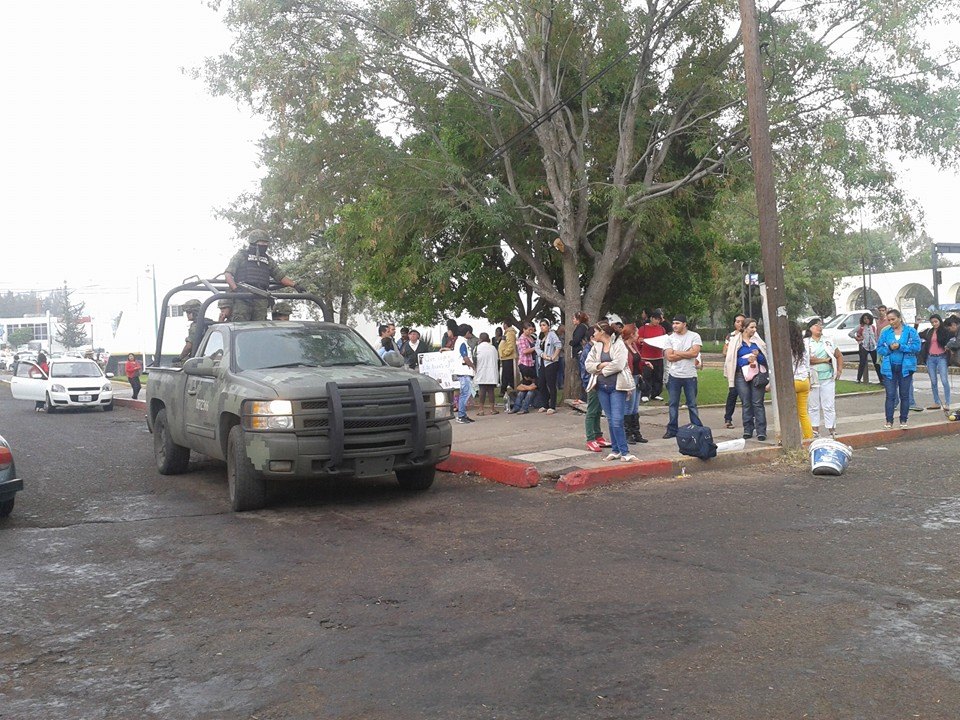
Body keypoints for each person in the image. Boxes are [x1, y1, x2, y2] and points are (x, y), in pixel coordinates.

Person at [585, 322, 637, 462]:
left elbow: (620, 364)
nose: (593, 334)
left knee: (617, 420)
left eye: (595, 332)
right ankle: (615, 450)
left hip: (617, 387)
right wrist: (601, 365)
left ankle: (625, 452)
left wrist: (602, 371)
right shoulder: (596, 347)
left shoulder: (619, 344)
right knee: (609, 419)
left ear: (602, 332)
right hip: (602, 387)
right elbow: (588, 365)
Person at [224, 229, 301, 321]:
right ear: (253, 242)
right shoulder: (241, 256)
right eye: (261, 242)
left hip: (261, 298)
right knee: (240, 323)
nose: (264, 245)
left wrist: (295, 285)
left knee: (260, 324)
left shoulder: (267, 260)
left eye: (266, 243)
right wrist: (237, 290)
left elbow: (280, 276)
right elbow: (228, 275)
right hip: (242, 297)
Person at [877, 308, 921, 429]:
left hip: (906, 367)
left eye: (893, 319)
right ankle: (889, 421)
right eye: (889, 320)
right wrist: (890, 348)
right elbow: (880, 348)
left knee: (904, 394)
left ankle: (903, 420)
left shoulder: (910, 331)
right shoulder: (886, 332)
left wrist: (901, 346)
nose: (891, 322)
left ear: (899, 318)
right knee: (890, 394)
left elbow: (917, 347)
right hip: (889, 368)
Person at [726, 318, 769, 441]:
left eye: (755, 327)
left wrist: (758, 356)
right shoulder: (736, 341)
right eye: (751, 327)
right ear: (744, 328)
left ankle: (761, 431)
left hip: (757, 375)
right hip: (741, 375)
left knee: (757, 402)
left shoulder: (757, 342)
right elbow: (732, 360)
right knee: (746, 403)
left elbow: (766, 360)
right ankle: (748, 429)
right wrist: (746, 360)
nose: (754, 330)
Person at [663, 314, 703, 439]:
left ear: (684, 324)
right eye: (674, 323)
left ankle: (696, 428)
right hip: (674, 375)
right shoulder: (669, 338)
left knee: (691, 403)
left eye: (678, 323)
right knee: (673, 403)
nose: (675, 326)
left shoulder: (694, 336)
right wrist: (687, 353)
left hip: (690, 375)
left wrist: (677, 352)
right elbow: (669, 356)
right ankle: (672, 429)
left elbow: (695, 353)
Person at [804, 317, 844, 438]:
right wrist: (825, 360)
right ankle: (815, 429)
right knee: (813, 405)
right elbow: (808, 360)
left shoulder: (828, 341)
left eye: (820, 325)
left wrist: (839, 369)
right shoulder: (806, 342)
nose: (819, 328)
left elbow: (838, 355)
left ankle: (831, 428)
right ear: (810, 328)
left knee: (829, 404)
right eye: (816, 325)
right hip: (812, 378)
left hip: (827, 377)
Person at [578, 330, 610, 451]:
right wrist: (589, 384)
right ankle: (590, 438)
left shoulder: (598, 347)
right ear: (592, 337)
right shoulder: (588, 350)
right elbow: (587, 369)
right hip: (592, 383)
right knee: (592, 411)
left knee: (597, 410)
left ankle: (598, 435)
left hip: (600, 381)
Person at [621, 323, 648, 444]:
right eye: (636, 333)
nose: (638, 335)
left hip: (637, 376)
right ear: (631, 334)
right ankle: (627, 433)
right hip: (629, 378)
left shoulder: (633, 345)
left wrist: (644, 363)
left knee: (635, 407)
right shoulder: (622, 346)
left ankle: (636, 432)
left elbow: (638, 359)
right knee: (629, 406)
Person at [919, 313, 951, 411]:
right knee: (933, 381)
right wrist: (916, 324)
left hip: (941, 357)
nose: (934, 324)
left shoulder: (945, 331)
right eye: (932, 322)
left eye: (936, 322)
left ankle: (947, 403)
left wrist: (948, 346)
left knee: (944, 380)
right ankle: (936, 402)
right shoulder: (929, 331)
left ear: (940, 321)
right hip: (930, 358)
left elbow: (953, 339)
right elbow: (916, 334)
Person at [721, 314, 746, 428]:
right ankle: (728, 418)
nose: (739, 323)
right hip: (735, 370)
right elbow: (725, 352)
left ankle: (750, 420)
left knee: (747, 396)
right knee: (733, 394)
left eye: (742, 321)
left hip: (747, 370)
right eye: (737, 321)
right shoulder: (730, 336)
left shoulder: (750, 335)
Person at [790, 322, 814, 439]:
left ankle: (790, 437)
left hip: (792, 381)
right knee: (803, 413)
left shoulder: (786, 347)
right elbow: (807, 364)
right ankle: (808, 437)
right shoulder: (803, 346)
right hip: (804, 380)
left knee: (789, 413)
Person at [637, 309, 667, 403]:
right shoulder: (643, 329)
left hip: (658, 356)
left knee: (658, 376)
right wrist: (640, 341)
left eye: (659, 320)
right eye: (655, 319)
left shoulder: (661, 329)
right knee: (646, 376)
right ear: (651, 318)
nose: (657, 322)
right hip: (646, 357)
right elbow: (638, 341)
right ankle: (645, 393)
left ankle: (656, 393)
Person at [535, 320, 562, 414]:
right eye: (541, 325)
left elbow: (558, 346)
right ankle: (545, 404)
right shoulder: (540, 336)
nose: (542, 327)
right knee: (541, 383)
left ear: (548, 326)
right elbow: (537, 347)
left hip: (551, 363)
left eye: (544, 325)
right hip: (542, 362)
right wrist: (542, 355)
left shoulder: (552, 335)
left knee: (551, 384)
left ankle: (552, 406)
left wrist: (553, 357)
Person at [453, 324, 476, 424]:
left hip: (463, 371)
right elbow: (465, 357)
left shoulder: (459, 341)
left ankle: (464, 415)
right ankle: (461, 415)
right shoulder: (462, 342)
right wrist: (473, 366)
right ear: (467, 333)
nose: (471, 335)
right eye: (470, 332)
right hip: (464, 371)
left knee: (465, 393)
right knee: (465, 394)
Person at [474, 333, 500, 415]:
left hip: (481, 371)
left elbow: (474, 360)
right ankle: (492, 409)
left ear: (480, 339)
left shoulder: (477, 348)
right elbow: (497, 359)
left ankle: (481, 410)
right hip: (492, 372)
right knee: (491, 390)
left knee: (482, 390)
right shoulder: (493, 348)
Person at [176, 299, 208, 364]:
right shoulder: (208, 322)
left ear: (195, 312)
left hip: (198, 359)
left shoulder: (196, 326)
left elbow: (189, 346)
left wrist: (179, 358)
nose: (187, 315)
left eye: (188, 312)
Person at [854, 313, 880, 383]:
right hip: (864, 346)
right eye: (865, 318)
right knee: (862, 363)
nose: (866, 320)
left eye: (867, 318)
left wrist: (876, 343)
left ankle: (881, 379)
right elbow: (851, 333)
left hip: (872, 346)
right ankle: (858, 379)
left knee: (876, 363)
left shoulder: (873, 327)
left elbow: (875, 336)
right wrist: (857, 338)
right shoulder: (860, 327)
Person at [498, 321, 518, 402]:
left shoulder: (510, 333)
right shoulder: (507, 333)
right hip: (505, 358)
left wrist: (505, 353)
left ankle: (511, 390)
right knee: (505, 375)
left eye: (503, 324)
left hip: (508, 357)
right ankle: (504, 390)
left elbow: (511, 345)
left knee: (508, 375)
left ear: (506, 324)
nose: (503, 325)